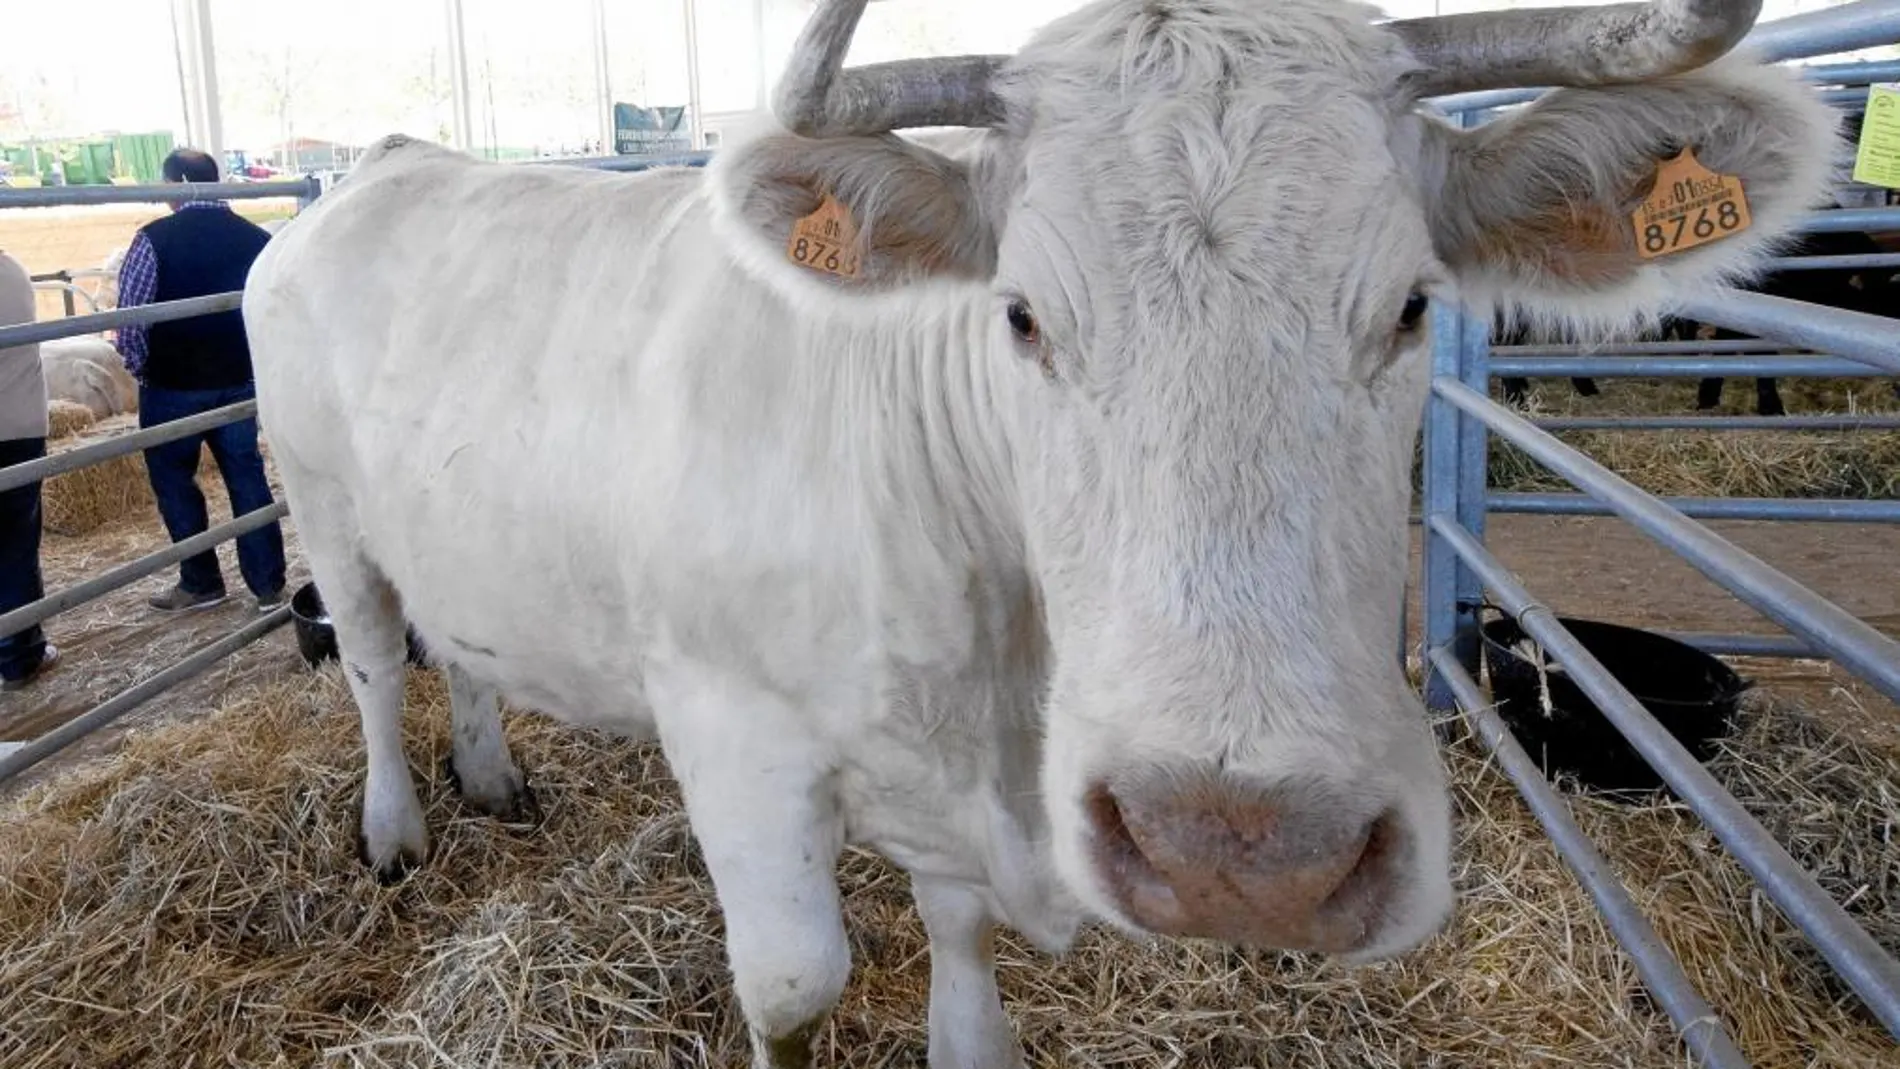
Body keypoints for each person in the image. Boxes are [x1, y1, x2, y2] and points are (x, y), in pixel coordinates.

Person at [115, 147, 287, 613]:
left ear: (175, 185)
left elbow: (131, 321)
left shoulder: (154, 239)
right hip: (240, 382)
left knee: (175, 481)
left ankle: (201, 582)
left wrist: (140, 367)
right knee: (247, 477)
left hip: (173, 386)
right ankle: (269, 585)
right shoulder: (257, 239)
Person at [0, 248, 58, 689]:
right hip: (18, 426)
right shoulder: (14, 271)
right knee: (17, 544)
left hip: (16, 424)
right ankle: (20, 655)